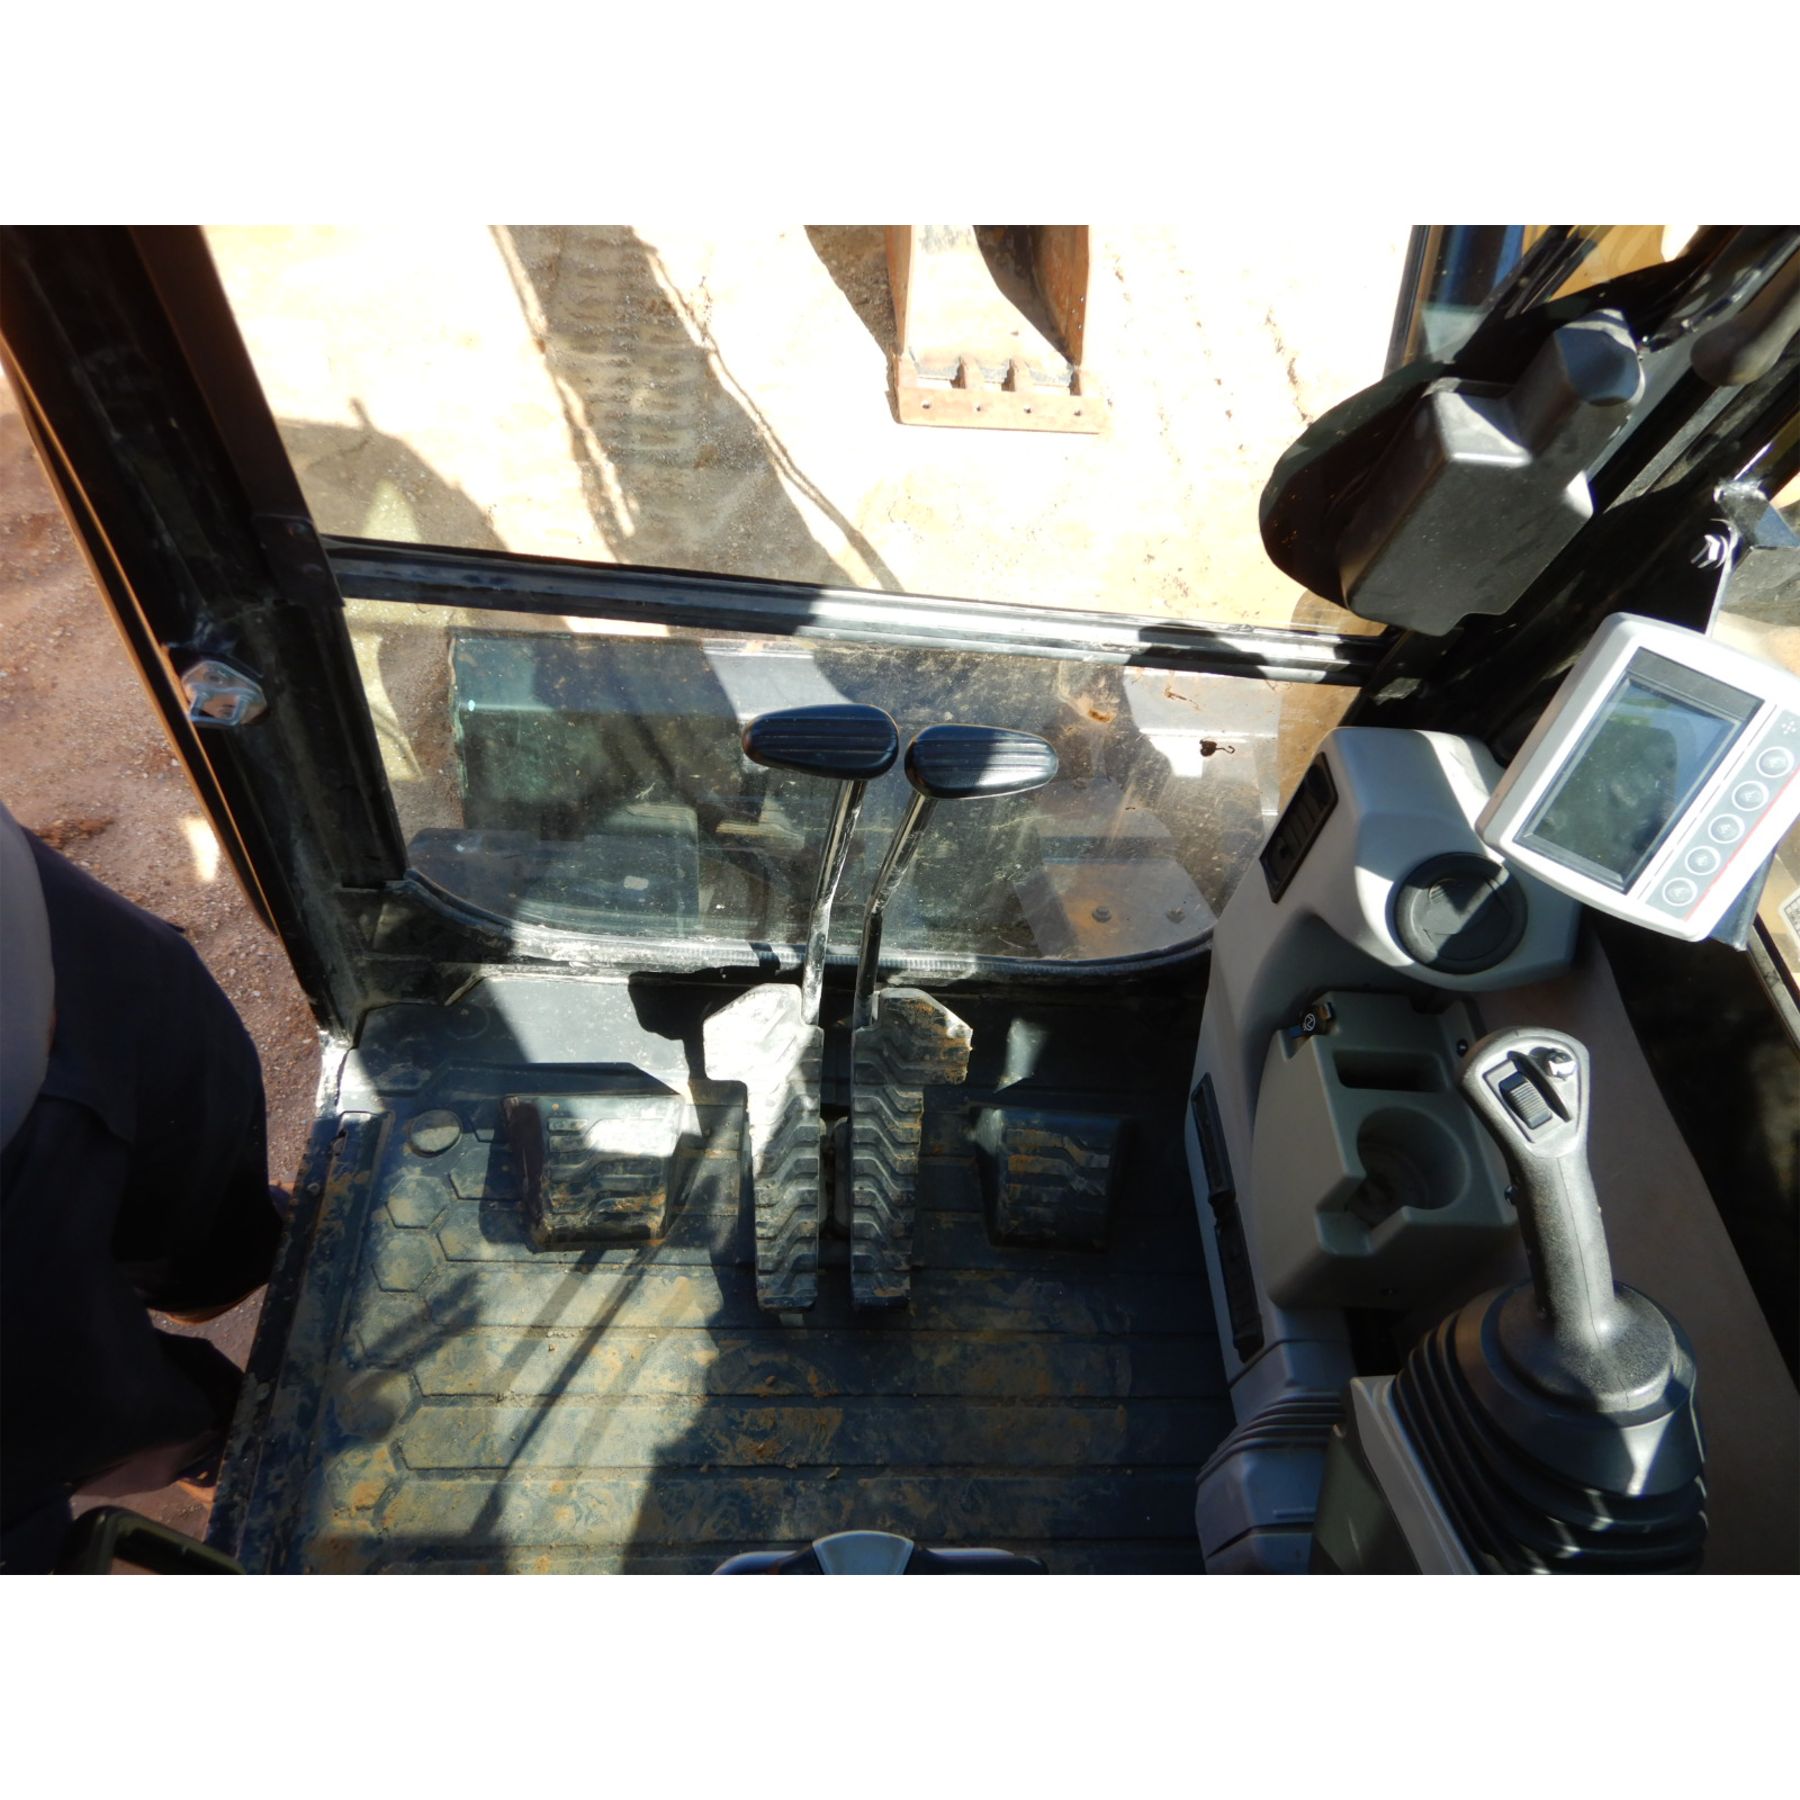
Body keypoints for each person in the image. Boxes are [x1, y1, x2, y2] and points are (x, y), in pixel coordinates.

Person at [0, 799, 284, 1573]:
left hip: (57, 944)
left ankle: (227, 1260)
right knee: (73, 1400)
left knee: (190, 1122)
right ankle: (208, 1438)